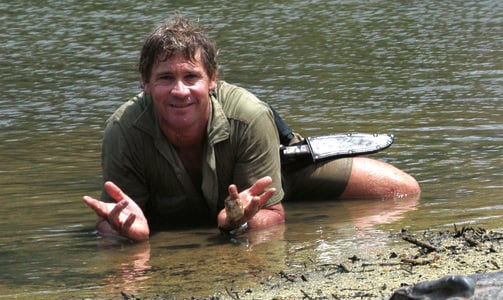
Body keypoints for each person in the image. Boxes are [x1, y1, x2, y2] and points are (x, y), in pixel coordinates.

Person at [83, 15, 419, 242]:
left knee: (403, 190)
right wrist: (126, 236)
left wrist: (241, 222)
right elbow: (115, 217)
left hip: (271, 176)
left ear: (213, 79)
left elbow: (271, 214)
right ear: (145, 83)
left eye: (191, 77)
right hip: (190, 204)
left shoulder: (249, 115)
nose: (180, 91)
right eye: (165, 78)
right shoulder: (124, 129)